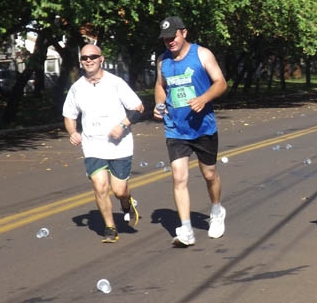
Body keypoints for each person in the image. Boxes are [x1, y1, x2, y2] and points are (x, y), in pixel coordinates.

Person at [154, 16, 228, 247]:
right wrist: (159, 105)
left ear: (183, 33)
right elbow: (160, 86)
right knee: (179, 177)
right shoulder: (163, 61)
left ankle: (216, 210)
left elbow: (221, 82)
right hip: (175, 128)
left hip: (202, 126)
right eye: (165, 39)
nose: (169, 42)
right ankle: (186, 230)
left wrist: (204, 99)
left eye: (172, 37)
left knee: (209, 174)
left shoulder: (202, 55)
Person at [63, 44, 144, 243]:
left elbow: (139, 108)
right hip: (93, 145)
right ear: (81, 62)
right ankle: (110, 227)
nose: (88, 60)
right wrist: (73, 132)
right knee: (100, 187)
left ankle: (126, 202)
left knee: (118, 190)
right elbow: (69, 115)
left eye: (92, 56)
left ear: (101, 59)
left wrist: (123, 125)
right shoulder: (77, 88)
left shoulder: (115, 83)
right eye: (84, 58)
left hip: (120, 145)